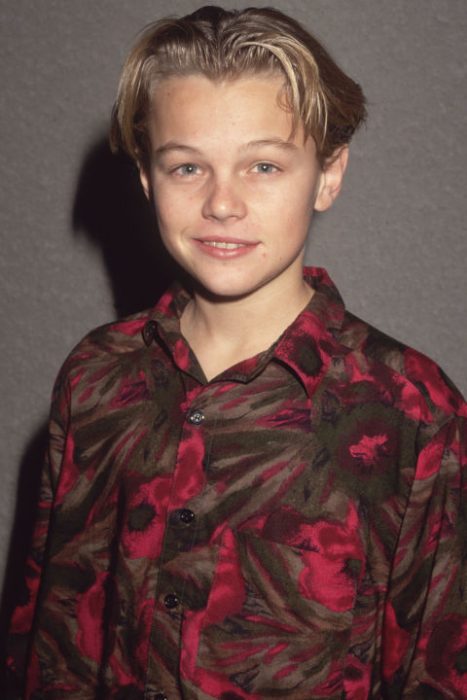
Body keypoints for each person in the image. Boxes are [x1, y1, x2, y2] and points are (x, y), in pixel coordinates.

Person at [6, 5, 467, 699]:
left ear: (329, 173)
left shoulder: (411, 411)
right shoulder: (94, 377)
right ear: (144, 177)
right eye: (187, 166)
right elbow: (41, 640)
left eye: (262, 164)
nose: (222, 202)